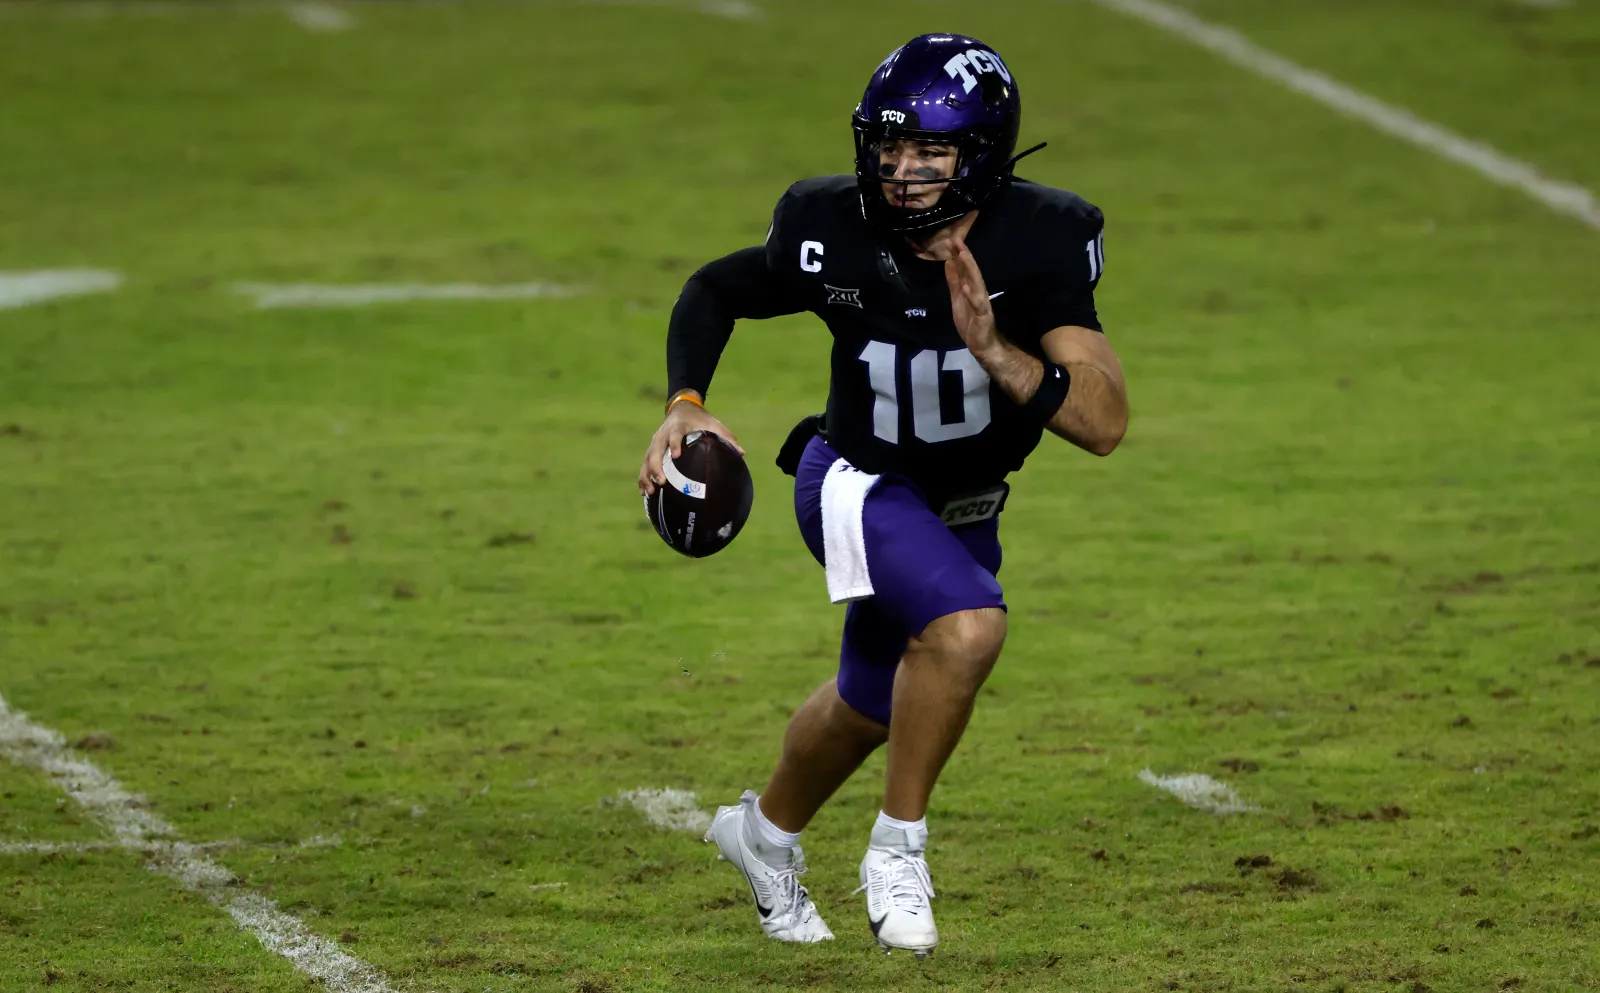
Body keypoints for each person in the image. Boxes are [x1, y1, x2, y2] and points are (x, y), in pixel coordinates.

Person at [636, 32, 1128, 957]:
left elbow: (1103, 421)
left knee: (872, 700)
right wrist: (685, 403)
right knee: (968, 629)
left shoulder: (1041, 237)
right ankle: (897, 850)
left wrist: (997, 350)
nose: (902, 171)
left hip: (965, 507)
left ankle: (762, 834)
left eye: (929, 150)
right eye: (889, 146)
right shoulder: (829, 224)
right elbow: (715, 288)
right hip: (852, 479)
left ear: (981, 155)